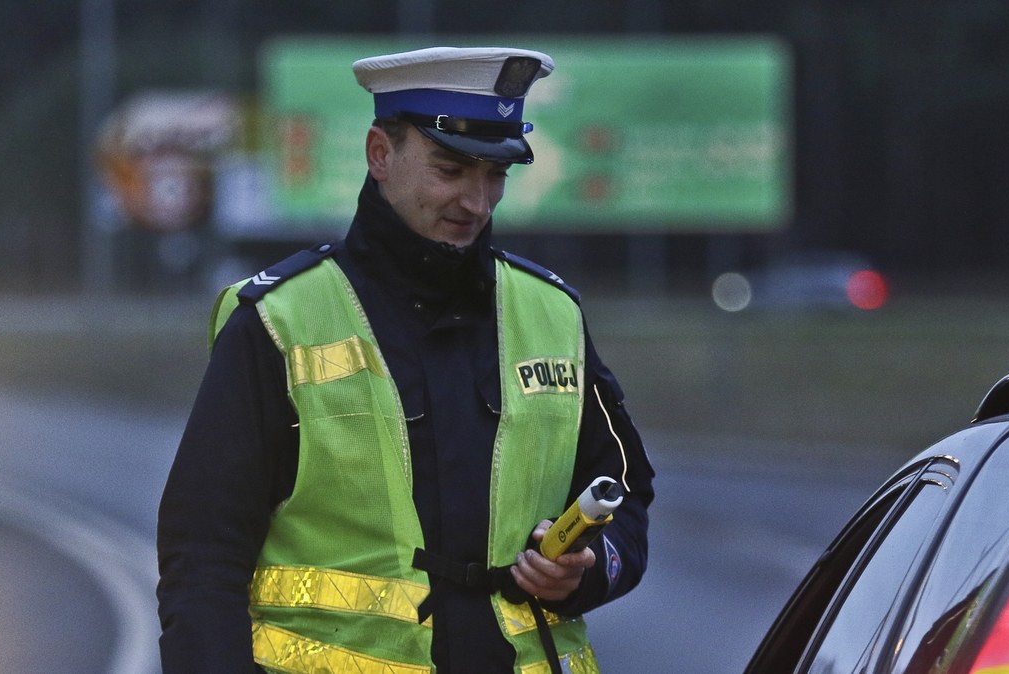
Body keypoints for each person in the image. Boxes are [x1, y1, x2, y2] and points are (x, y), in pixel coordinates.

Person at [156, 46, 655, 674]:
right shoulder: (278, 320)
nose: (477, 203)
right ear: (379, 154)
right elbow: (202, 557)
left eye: (496, 176)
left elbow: (625, 495)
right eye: (451, 170)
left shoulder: (552, 313)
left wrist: (585, 571)